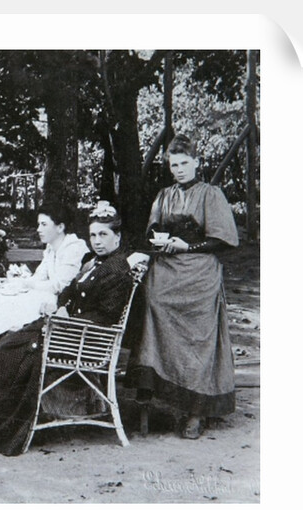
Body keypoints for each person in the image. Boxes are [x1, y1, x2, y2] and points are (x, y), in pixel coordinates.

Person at [0, 202, 138, 456]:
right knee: (7, 339)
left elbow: (106, 315)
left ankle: (1, 429)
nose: (97, 241)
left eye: (104, 235)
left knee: (10, 347)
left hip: (85, 339)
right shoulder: (94, 262)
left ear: (117, 237)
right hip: (69, 328)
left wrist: (67, 317)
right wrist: (62, 305)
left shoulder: (117, 268)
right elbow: (70, 290)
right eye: (93, 235)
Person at [126, 134, 239, 440]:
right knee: (152, 302)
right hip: (167, 267)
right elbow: (153, 229)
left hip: (199, 270)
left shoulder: (210, 194)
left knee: (197, 336)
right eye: (174, 164)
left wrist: (189, 246)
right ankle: (151, 389)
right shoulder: (164, 195)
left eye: (184, 163)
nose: (178, 169)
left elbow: (224, 240)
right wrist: (161, 237)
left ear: (196, 163)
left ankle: (196, 411)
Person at [23, 200, 90, 295]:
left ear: (60, 227)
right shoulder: (50, 248)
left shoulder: (74, 248)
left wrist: (28, 285)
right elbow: (40, 275)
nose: (38, 229)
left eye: (44, 224)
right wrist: (20, 282)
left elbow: (59, 286)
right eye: (39, 224)